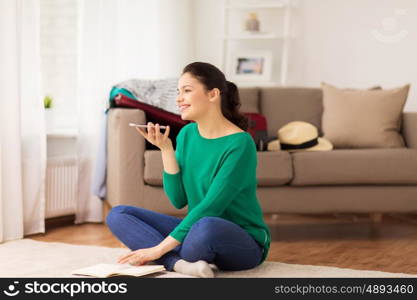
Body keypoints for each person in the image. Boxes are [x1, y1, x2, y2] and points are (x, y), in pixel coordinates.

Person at [106, 62, 271, 278]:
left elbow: (211, 207)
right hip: (197, 229)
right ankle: (179, 264)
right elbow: (178, 200)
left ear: (213, 94)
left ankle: (170, 257)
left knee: (205, 227)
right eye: (178, 92)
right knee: (118, 214)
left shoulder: (240, 144)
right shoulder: (187, 134)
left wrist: (157, 249)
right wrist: (166, 149)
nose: (179, 98)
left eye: (187, 91)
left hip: (242, 241)